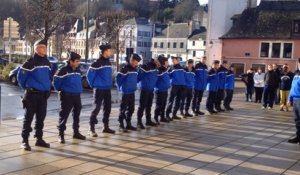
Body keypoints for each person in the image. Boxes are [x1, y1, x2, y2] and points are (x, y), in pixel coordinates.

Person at [17, 39, 52, 151]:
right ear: (36, 49)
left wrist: (47, 88)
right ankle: (24, 141)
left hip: (43, 95)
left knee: (41, 118)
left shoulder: (47, 62)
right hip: (32, 95)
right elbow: (20, 78)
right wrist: (27, 88)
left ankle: (39, 139)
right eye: (42, 47)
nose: (45, 49)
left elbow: (49, 76)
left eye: (45, 47)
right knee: (28, 118)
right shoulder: (30, 62)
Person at [53, 52, 86, 144]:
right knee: (64, 116)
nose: (78, 63)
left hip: (77, 96)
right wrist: (60, 90)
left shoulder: (78, 70)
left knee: (76, 115)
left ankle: (76, 132)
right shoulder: (63, 70)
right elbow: (56, 82)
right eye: (76, 61)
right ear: (70, 61)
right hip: (66, 96)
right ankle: (61, 134)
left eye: (79, 61)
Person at [87, 44, 115, 136]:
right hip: (99, 89)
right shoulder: (96, 63)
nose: (111, 52)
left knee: (107, 109)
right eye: (109, 51)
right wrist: (94, 85)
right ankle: (91, 129)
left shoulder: (109, 63)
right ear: (105, 52)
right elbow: (89, 76)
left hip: (107, 89)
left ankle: (105, 127)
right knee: (96, 108)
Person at [116, 54, 141, 132]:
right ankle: (121, 124)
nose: (136, 64)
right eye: (136, 62)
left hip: (132, 92)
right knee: (123, 109)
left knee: (131, 109)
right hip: (125, 92)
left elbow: (136, 79)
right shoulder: (125, 69)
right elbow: (118, 80)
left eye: (137, 63)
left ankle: (128, 124)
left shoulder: (135, 69)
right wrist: (120, 89)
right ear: (131, 60)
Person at [137, 58, 160, 129]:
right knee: (142, 106)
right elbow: (139, 76)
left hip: (151, 89)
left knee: (149, 106)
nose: (160, 64)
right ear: (156, 60)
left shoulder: (156, 68)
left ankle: (148, 120)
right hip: (144, 89)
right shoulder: (146, 66)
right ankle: (139, 122)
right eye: (159, 62)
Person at [166, 56, 186, 120]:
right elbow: (167, 77)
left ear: (178, 60)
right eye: (172, 60)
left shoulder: (182, 68)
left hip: (181, 86)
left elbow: (183, 77)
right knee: (171, 100)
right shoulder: (171, 68)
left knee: (178, 100)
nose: (173, 61)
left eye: (174, 60)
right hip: (174, 86)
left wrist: (183, 85)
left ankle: (174, 114)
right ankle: (167, 114)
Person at [154, 55, 170, 124]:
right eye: (167, 62)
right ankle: (156, 117)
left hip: (165, 90)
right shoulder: (159, 70)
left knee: (163, 104)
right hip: (159, 90)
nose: (168, 63)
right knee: (159, 105)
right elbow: (155, 80)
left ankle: (162, 117)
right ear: (163, 62)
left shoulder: (165, 69)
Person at [287, 59, 300, 144]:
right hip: (295, 99)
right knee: (297, 120)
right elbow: (293, 87)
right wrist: (290, 98)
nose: (299, 66)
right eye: (299, 64)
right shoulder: (296, 74)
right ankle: (298, 137)